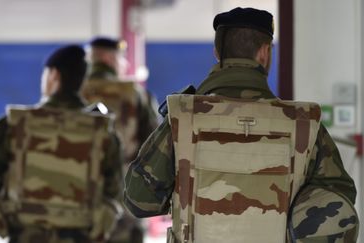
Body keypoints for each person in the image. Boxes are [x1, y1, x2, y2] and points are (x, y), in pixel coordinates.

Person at [124, 7, 359, 243]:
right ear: (265, 53)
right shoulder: (305, 124)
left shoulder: (183, 118)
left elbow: (138, 200)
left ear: (218, 53)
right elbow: (338, 203)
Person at [0, 45, 123, 243]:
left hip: (25, 235)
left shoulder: (15, 124)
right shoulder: (103, 132)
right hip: (79, 237)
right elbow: (114, 190)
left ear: (53, 76)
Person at [82, 37, 160, 243]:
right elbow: (156, 144)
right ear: (109, 58)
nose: (124, 64)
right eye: (121, 59)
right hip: (123, 195)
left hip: (79, 194)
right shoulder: (134, 93)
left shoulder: (72, 91)